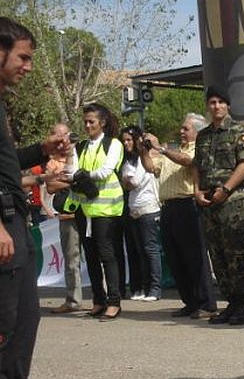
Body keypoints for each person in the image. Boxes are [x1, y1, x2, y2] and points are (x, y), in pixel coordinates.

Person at [0, 17, 66, 379]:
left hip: (15, 218)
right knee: (2, 319)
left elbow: (6, 165)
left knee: (26, 315)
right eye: (22, 57)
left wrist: (41, 151)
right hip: (2, 222)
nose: (27, 67)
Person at [141, 115, 217, 319]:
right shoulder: (173, 151)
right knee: (175, 256)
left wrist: (161, 149)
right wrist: (144, 150)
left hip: (187, 205)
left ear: (197, 132)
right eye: (181, 128)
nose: (181, 132)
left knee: (195, 256)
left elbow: (188, 161)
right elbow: (151, 167)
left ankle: (206, 303)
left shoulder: (197, 148)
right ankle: (190, 302)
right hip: (168, 207)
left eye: (186, 129)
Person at [193, 85, 244, 325]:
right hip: (209, 201)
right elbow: (197, 166)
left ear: (227, 105)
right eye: (212, 102)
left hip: (232, 200)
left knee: (235, 254)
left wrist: (226, 189)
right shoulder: (203, 135)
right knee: (217, 255)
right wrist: (197, 191)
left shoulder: (239, 131)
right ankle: (231, 303)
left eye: (220, 102)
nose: (216, 106)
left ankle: (243, 305)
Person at [64, 104, 125, 321]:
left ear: (103, 123)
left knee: (107, 255)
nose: (88, 125)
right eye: (86, 121)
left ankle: (114, 301)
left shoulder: (113, 144)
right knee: (89, 256)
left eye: (92, 121)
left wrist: (81, 175)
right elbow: (70, 172)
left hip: (107, 208)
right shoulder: (79, 146)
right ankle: (98, 300)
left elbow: (106, 171)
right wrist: (79, 174)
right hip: (85, 209)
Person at [120, 126, 162, 302]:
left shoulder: (144, 158)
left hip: (148, 208)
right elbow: (125, 181)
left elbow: (134, 181)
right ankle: (143, 287)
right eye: (124, 140)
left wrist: (127, 181)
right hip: (134, 209)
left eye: (129, 140)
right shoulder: (127, 161)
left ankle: (155, 288)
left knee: (150, 249)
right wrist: (126, 181)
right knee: (139, 251)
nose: (126, 143)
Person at [45, 124, 84, 314]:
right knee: (71, 260)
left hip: (86, 212)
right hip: (67, 216)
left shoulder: (82, 154)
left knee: (97, 256)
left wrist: (69, 180)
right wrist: (73, 181)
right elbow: (51, 186)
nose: (64, 140)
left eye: (66, 135)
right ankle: (73, 300)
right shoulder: (52, 163)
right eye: (58, 136)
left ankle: (102, 299)